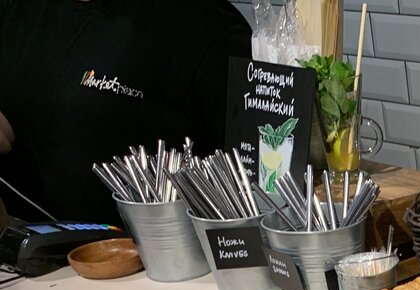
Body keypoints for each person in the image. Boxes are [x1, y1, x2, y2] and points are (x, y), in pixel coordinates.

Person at [0, 0, 252, 224]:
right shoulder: (16, 11)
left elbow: (254, 193)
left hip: (149, 257)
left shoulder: (207, 30)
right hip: (19, 251)